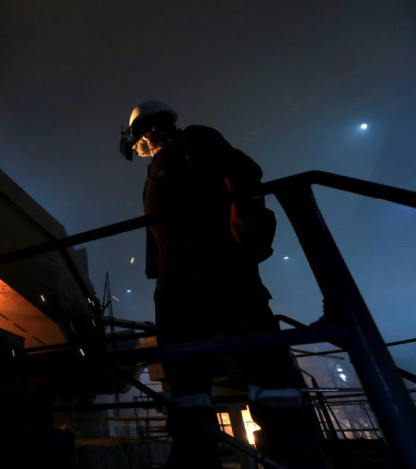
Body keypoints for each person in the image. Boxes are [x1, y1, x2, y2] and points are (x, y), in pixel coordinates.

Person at [120, 101, 328, 469]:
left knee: (264, 366)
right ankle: (193, 456)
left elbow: (246, 173)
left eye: (138, 140)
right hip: (176, 281)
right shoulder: (159, 165)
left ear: (148, 130)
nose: (138, 148)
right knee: (186, 378)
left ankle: (293, 456)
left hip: (222, 271)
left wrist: (238, 238)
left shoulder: (196, 140)